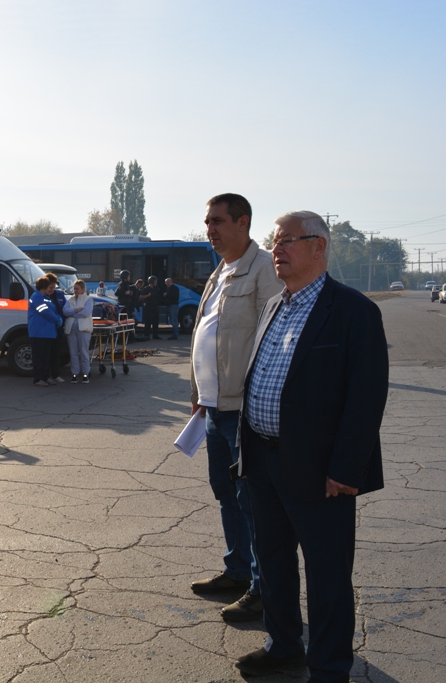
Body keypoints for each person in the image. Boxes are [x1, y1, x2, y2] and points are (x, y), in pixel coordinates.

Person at [234, 211, 388, 682]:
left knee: (327, 577)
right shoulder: (275, 304)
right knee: (274, 564)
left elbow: (366, 398)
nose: (276, 249)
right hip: (263, 461)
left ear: (318, 247)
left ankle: (329, 667)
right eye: (274, 241)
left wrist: (346, 468)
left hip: (321, 471)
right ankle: (283, 646)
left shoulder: (353, 311)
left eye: (287, 242)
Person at [189, 193, 281, 622]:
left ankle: (264, 589)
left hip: (245, 411)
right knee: (227, 495)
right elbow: (205, 333)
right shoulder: (219, 272)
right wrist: (197, 390)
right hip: (213, 408)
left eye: (218, 222)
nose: (211, 230)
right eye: (208, 222)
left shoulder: (265, 270)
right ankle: (238, 571)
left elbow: (276, 340)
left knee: (252, 502)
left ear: (243, 222)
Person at [28, 276, 62, 387]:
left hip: (48, 332)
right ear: (43, 287)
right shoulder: (36, 297)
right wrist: (58, 319)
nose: (50, 289)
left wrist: (57, 317)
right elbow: (45, 311)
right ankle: (38, 379)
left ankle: (46, 377)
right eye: (48, 287)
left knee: (46, 356)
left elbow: (53, 310)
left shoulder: (45, 297)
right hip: (39, 332)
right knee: (39, 356)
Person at [62, 279, 94, 383]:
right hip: (71, 329)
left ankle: (85, 374)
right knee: (73, 352)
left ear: (83, 289)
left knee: (84, 352)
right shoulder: (70, 299)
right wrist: (75, 310)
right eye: (74, 288)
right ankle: (74, 374)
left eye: (77, 289)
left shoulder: (88, 299)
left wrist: (71, 314)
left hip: (84, 329)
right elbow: (65, 311)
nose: (75, 290)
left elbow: (86, 313)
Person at [46, 273, 67, 383]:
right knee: (46, 354)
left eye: (54, 286)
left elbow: (66, 309)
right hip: (47, 330)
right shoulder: (43, 296)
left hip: (58, 330)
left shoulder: (59, 295)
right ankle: (46, 376)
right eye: (50, 287)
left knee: (56, 353)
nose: (52, 289)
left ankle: (55, 375)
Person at [139, 275, 161, 339]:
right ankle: (146, 335)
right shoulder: (146, 289)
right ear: (151, 282)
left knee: (156, 323)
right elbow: (141, 297)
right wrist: (147, 296)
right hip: (149, 308)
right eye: (155, 282)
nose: (156, 283)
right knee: (148, 323)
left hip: (155, 307)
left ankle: (155, 335)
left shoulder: (156, 289)